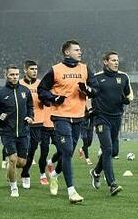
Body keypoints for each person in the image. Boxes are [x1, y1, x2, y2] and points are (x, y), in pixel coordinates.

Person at [38, 39, 98, 204]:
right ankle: (72, 191)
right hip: (61, 116)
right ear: (67, 52)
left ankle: (54, 175)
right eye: (76, 50)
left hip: (79, 117)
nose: (80, 52)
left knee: (68, 153)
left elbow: (96, 89)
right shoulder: (55, 70)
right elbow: (41, 90)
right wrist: (54, 97)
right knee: (67, 151)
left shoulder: (85, 69)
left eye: (80, 50)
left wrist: (87, 89)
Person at [89, 52, 133, 196]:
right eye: (113, 60)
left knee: (114, 151)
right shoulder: (97, 77)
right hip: (101, 118)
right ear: (105, 61)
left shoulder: (124, 77)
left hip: (116, 118)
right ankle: (112, 184)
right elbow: (89, 95)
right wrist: (90, 109)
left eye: (117, 60)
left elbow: (130, 94)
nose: (116, 62)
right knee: (107, 149)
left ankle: (96, 172)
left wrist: (128, 99)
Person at [0, 65, 34, 198]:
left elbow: (30, 106)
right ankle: (14, 187)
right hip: (7, 132)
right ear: (6, 75)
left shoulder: (25, 91)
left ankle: (10, 166)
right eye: (12, 74)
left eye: (16, 74)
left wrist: (31, 116)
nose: (15, 77)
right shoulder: (0, 93)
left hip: (23, 131)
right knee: (13, 159)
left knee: (22, 163)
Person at [19, 60, 48, 189]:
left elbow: (47, 100)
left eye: (36, 69)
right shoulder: (19, 84)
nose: (35, 71)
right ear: (25, 70)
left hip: (38, 122)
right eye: (32, 69)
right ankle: (13, 167)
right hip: (23, 123)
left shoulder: (41, 84)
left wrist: (45, 100)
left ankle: (25, 174)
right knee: (22, 151)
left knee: (31, 150)